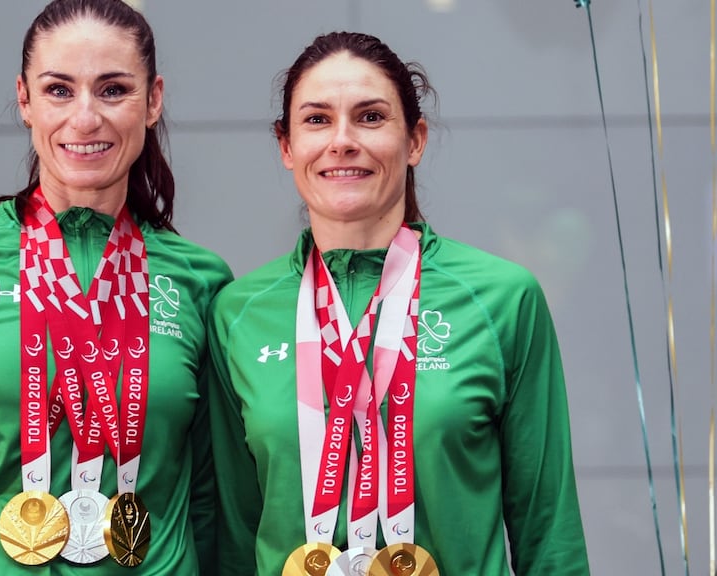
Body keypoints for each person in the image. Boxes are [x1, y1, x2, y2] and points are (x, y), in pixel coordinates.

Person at [0, 1, 231, 574]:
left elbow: (211, 501)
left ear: (153, 100)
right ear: (24, 99)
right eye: (59, 90)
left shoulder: (203, 281)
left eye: (113, 90)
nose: (85, 118)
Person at [208, 32, 589, 576]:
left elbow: (547, 529)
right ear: (286, 147)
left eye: (370, 117)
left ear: (415, 140)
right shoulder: (239, 313)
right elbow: (234, 535)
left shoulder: (502, 298)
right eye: (317, 120)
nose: (341, 141)